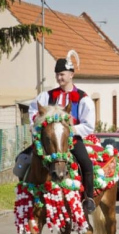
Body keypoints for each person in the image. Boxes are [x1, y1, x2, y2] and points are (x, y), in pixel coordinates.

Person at [28, 50, 97, 213]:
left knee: (86, 163)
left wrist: (69, 130)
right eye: (57, 75)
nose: (60, 78)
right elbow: (33, 111)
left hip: (72, 139)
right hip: (49, 139)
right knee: (23, 159)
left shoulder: (83, 98)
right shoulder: (46, 96)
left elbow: (89, 125)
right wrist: (39, 125)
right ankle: (29, 192)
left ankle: (88, 198)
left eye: (63, 74)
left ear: (71, 74)